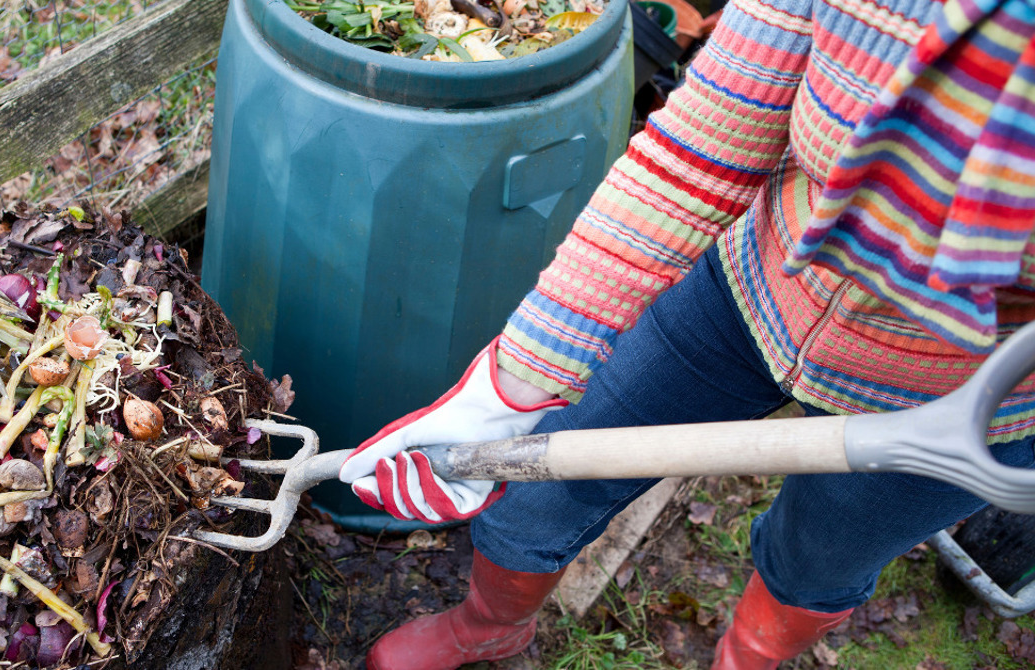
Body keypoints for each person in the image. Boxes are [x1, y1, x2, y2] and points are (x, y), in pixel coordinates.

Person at [336, 0, 1035, 666]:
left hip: (961, 400)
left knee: (815, 563)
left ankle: (747, 660)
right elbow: (700, 149)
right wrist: (510, 386)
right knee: (534, 493)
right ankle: (488, 628)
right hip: (747, 292)